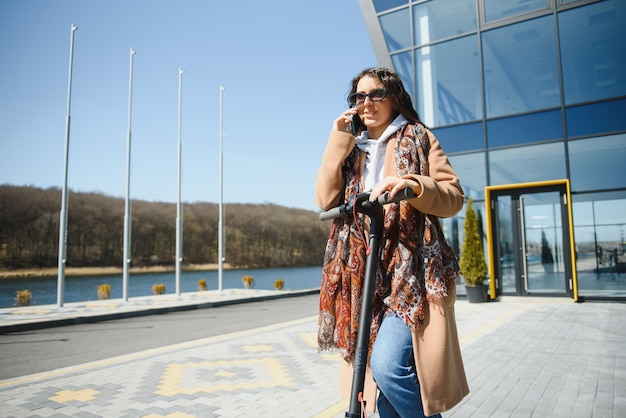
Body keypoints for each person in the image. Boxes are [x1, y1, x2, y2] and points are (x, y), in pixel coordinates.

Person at [315, 67, 469, 417]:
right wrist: (338, 139)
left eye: (376, 94)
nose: (366, 102)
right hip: (360, 275)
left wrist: (415, 186)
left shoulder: (418, 136)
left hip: (410, 272)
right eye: (359, 96)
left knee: (387, 368)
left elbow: (453, 196)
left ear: (394, 97)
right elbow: (325, 199)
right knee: (377, 394)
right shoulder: (352, 151)